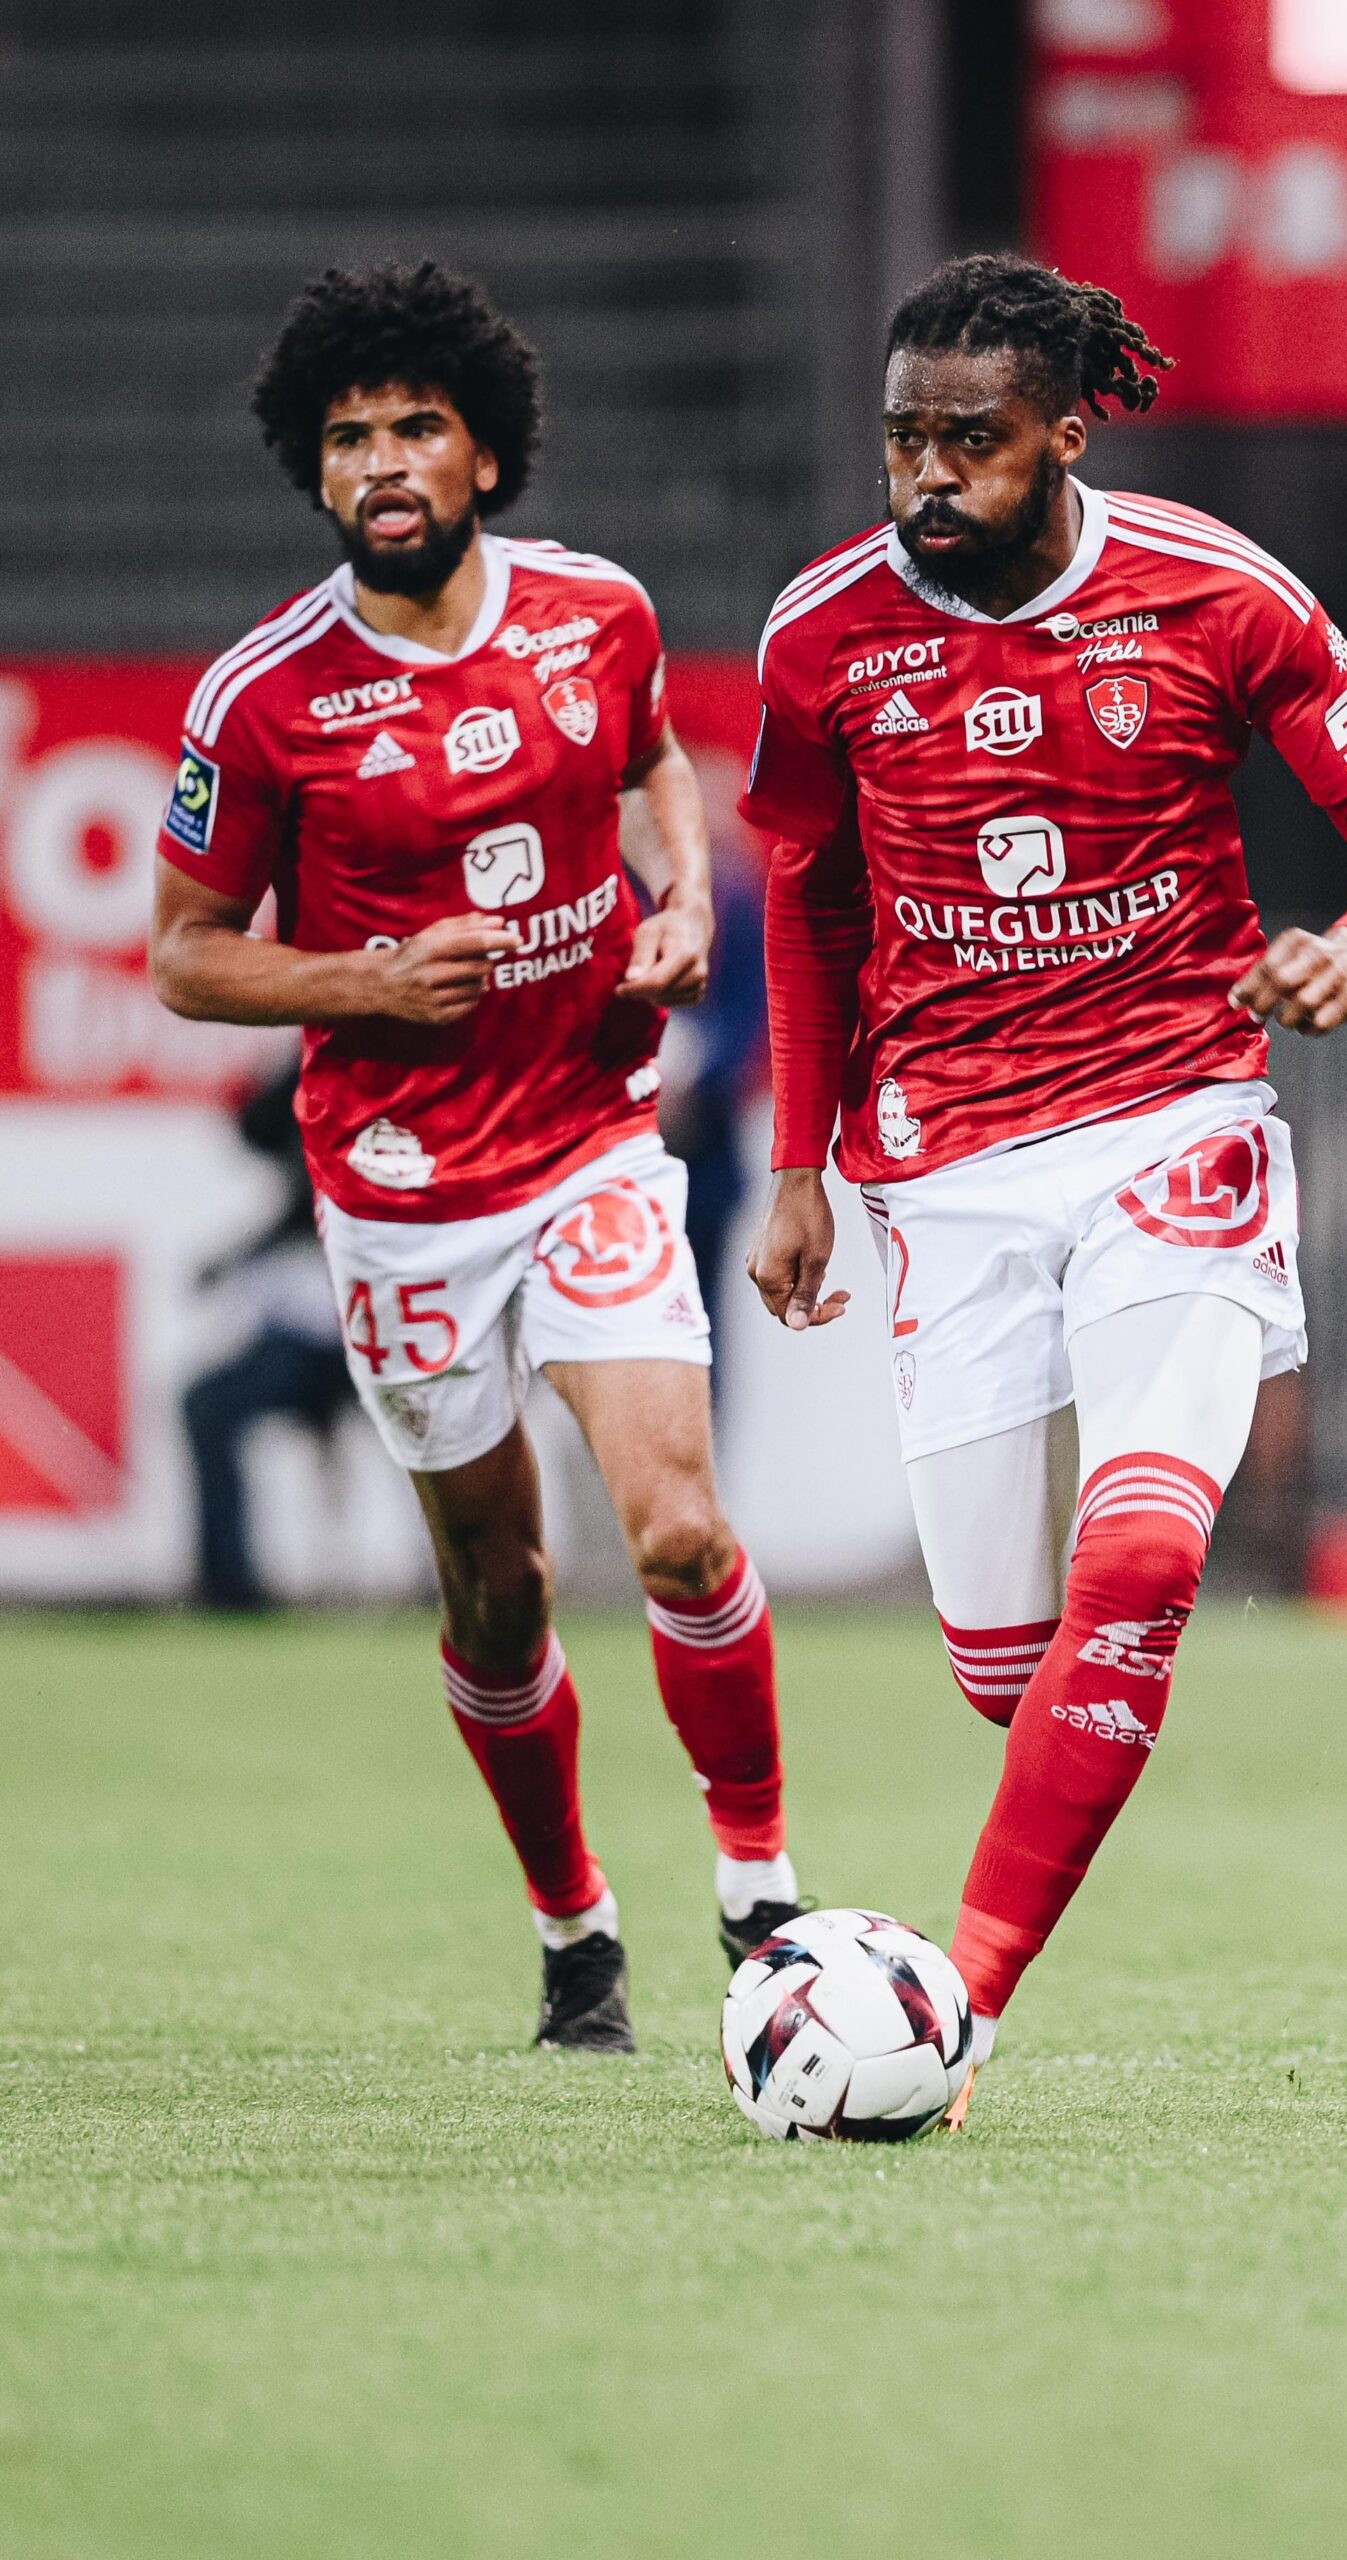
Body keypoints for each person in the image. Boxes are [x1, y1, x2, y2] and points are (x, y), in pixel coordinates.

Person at [745, 253, 1347, 2122]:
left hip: (1178, 1120)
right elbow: (812, 905)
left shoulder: (1217, 596)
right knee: (1010, 1674)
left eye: (969, 442)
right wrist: (799, 1160)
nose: (927, 475)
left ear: (1069, 431)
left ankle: (955, 2014)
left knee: (1139, 1558)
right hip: (950, 1170)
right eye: (903, 436)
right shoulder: (821, 636)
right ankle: (1010, 1849)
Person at [149, 262, 805, 2052]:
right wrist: (359, 978)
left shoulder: (596, 611)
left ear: (484, 457)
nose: (381, 460)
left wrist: (679, 896)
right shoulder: (261, 700)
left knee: (676, 1533)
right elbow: (188, 953)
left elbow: (660, 763)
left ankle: (762, 1898)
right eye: (349, 435)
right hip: (403, 1195)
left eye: (414, 427)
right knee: (499, 1593)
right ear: (315, 469)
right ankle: (573, 1925)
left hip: (591, 1142)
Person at [183, 1061, 355, 1611]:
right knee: (207, 1405)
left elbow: (306, 1208)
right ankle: (229, 1586)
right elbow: (254, 1127)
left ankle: (466, 1587)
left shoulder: (380, 1108)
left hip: (380, 1338)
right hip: (301, 1340)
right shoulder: (311, 1080)